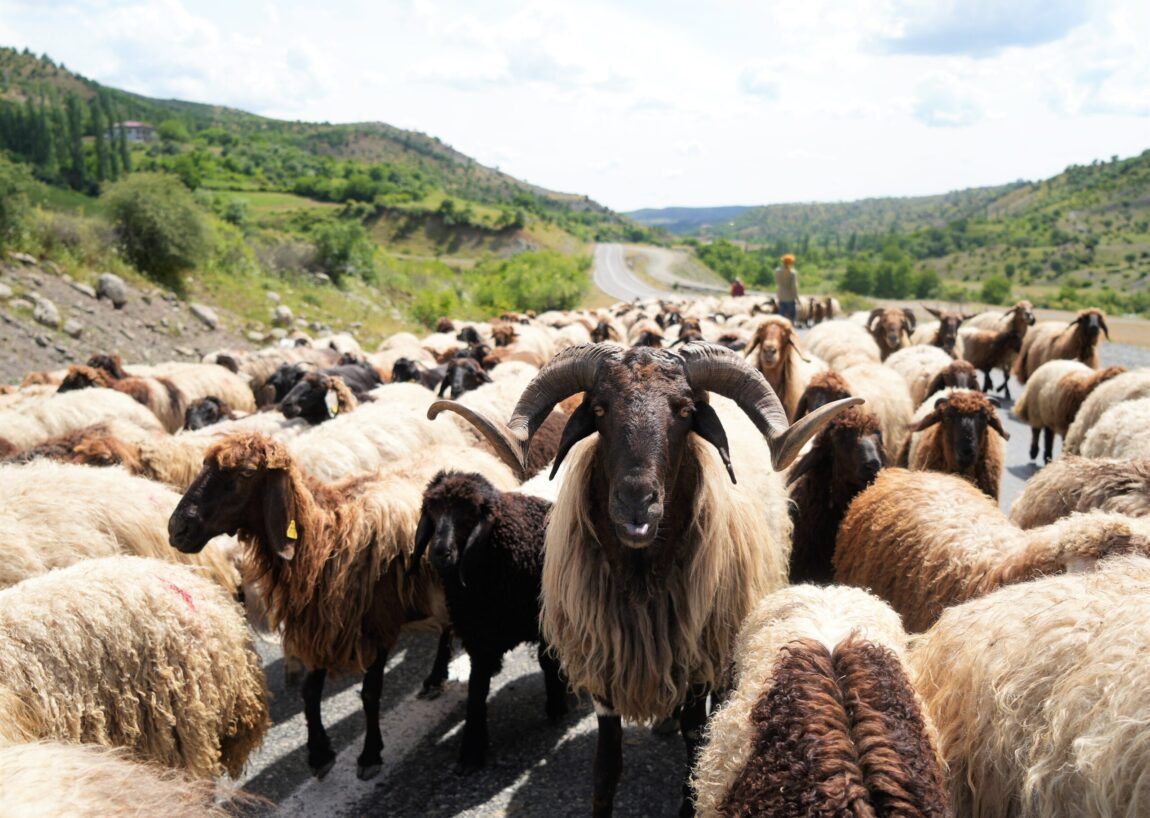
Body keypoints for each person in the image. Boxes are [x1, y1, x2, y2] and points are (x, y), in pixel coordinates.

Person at [775, 254, 798, 322]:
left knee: (781, 319)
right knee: (791, 319)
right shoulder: (793, 273)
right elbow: (794, 287)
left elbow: (778, 283)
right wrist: (796, 297)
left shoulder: (777, 271)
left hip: (781, 297)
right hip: (790, 298)